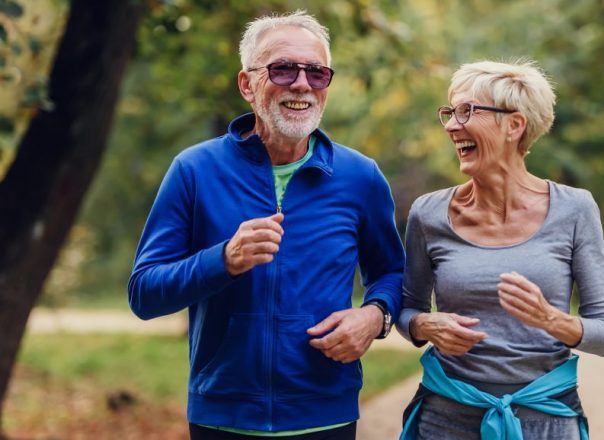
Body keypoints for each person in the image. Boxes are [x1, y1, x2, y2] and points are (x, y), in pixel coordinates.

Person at [128, 10, 404, 440]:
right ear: (247, 85)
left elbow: (391, 271)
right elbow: (144, 293)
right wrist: (223, 259)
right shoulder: (195, 170)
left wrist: (375, 315)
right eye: (283, 69)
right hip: (222, 418)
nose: (301, 84)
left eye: (316, 73)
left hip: (326, 416)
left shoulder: (360, 177)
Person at [397, 60, 604, 440]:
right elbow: (406, 309)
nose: (452, 125)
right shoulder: (428, 213)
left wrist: (551, 320)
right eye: (450, 113)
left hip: (546, 420)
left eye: (467, 111)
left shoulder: (575, 209)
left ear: (514, 126)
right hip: (445, 420)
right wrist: (424, 325)